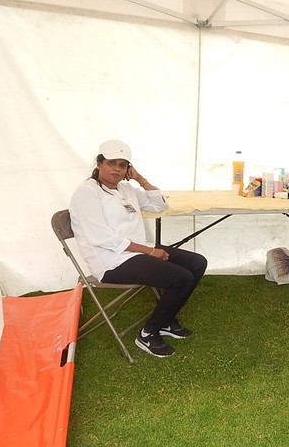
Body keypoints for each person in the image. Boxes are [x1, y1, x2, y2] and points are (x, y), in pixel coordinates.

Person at [70, 139, 207, 358]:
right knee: (182, 278)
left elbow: (160, 205)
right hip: (111, 261)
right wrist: (149, 251)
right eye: (111, 163)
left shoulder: (126, 189)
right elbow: (102, 238)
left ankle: (165, 321)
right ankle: (148, 333)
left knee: (197, 263)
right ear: (99, 163)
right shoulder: (87, 192)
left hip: (136, 251)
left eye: (123, 165)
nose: (117, 169)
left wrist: (140, 179)